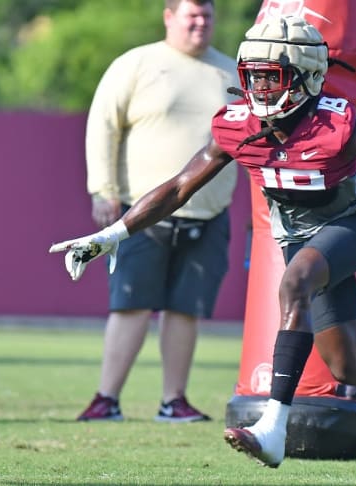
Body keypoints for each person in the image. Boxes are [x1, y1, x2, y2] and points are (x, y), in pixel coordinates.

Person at [50, 15, 356, 466]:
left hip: (350, 226)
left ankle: (272, 426)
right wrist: (113, 233)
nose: (261, 91)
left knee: (293, 285)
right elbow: (180, 187)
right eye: (253, 78)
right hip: (298, 236)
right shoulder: (237, 125)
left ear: (306, 76)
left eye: (273, 78)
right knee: (348, 365)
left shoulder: (336, 125)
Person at [75, 0, 239, 422]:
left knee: (187, 308)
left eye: (207, 15)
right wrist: (102, 189)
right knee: (131, 303)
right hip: (142, 212)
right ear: (169, 17)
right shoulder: (138, 63)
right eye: (191, 15)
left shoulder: (231, 72)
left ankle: (173, 401)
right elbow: (102, 125)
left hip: (209, 211)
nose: (200, 23)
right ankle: (106, 398)